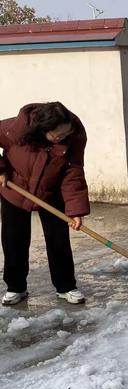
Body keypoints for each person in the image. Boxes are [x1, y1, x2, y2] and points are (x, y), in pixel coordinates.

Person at [0, 102, 89, 305]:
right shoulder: (15, 129)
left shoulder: (74, 137)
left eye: (65, 132)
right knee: (14, 239)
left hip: (52, 191)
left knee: (58, 238)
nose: (62, 137)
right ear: (42, 130)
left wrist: (75, 210)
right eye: (57, 135)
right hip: (15, 188)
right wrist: (1, 169)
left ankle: (66, 286)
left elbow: (73, 172)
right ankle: (16, 287)